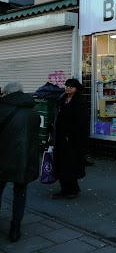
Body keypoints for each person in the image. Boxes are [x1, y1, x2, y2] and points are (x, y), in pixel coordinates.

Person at [0, 82, 40, 243]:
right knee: (20, 193)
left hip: (2, 158)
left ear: (6, 93)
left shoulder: (2, 108)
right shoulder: (33, 110)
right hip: (24, 159)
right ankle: (15, 228)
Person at [49, 78, 88, 199]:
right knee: (61, 163)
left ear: (77, 88)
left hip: (72, 139)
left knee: (70, 164)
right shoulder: (62, 98)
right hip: (60, 137)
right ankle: (67, 188)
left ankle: (70, 189)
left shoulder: (79, 101)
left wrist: (70, 134)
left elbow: (80, 121)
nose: (68, 88)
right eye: (67, 86)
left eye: (71, 86)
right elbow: (55, 116)